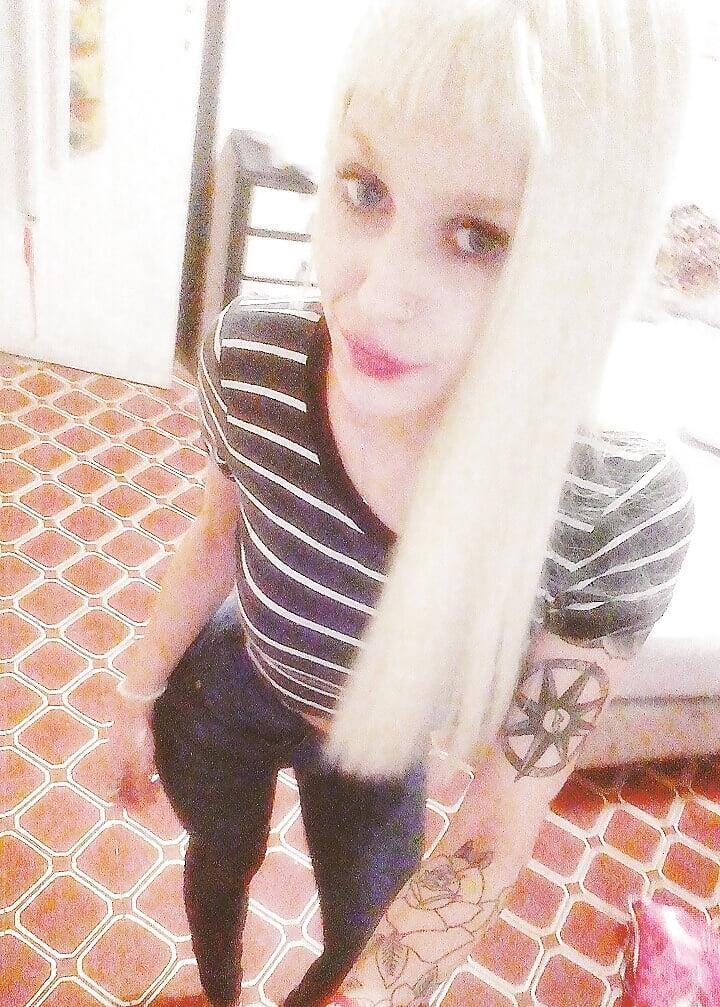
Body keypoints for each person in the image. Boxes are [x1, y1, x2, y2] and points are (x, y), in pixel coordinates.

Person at [107, 1, 699, 1005]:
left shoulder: (607, 509)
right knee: (219, 860)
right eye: (365, 187)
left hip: (379, 748)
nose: (376, 297)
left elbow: (497, 823)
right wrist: (132, 695)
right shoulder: (254, 360)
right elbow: (215, 536)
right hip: (232, 686)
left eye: (478, 234)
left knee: (366, 924)